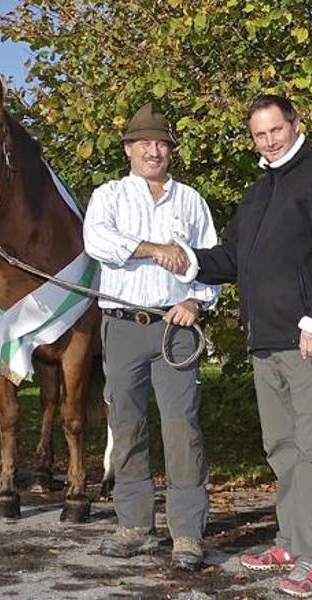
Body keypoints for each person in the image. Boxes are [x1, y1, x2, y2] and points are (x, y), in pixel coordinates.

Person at [165, 94, 312, 598]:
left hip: (310, 340)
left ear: (295, 124)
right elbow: (232, 256)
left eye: (276, 130)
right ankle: (291, 542)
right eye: (260, 134)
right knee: (283, 447)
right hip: (266, 341)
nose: (270, 141)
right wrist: (186, 258)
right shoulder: (258, 192)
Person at [83, 103, 221, 571]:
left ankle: (186, 533)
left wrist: (195, 303)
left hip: (175, 329)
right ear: (128, 149)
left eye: (161, 143)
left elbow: (211, 266)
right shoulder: (108, 197)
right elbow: (98, 243)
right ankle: (135, 527)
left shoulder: (192, 202)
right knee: (126, 426)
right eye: (144, 142)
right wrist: (153, 249)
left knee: (182, 429)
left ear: (170, 151)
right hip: (121, 326)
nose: (153, 150)